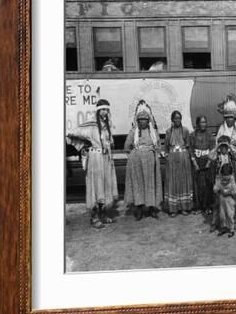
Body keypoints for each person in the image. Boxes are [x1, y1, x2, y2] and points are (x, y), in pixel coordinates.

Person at [66, 98, 118, 229]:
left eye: (107, 110)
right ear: (98, 110)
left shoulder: (107, 125)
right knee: (96, 186)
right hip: (95, 159)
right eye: (103, 110)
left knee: (105, 185)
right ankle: (94, 217)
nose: (106, 112)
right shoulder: (92, 125)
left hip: (106, 159)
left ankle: (103, 214)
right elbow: (73, 132)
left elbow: (109, 142)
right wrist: (84, 146)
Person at [123, 100, 163, 221]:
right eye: (140, 120)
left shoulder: (153, 132)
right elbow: (127, 147)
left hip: (151, 163)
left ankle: (151, 208)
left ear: (148, 121)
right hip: (137, 163)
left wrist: (153, 155)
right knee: (138, 185)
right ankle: (139, 209)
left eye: (145, 120)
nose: (143, 122)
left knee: (151, 185)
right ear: (137, 121)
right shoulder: (133, 133)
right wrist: (135, 156)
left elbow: (158, 146)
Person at [163, 110, 194, 217]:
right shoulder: (168, 132)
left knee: (183, 182)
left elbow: (189, 145)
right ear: (172, 119)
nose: (177, 120)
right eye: (175, 118)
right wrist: (167, 158)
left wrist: (190, 159)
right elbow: (166, 147)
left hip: (183, 158)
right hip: (172, 160)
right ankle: (173, 209)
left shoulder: (185, 130)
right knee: (173, 182)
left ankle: (184, 208)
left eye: (179, 118)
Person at [216, 94, 236, 188]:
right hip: (225, 156)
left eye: (231, 117)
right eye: (227, 117)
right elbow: (218, 142)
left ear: (234, 118)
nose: (229, 119)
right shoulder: (222, 128)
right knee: (226, 176)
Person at [189, 116, 216, 214]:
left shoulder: (210, 135)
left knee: (208, 184)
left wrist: (209, 162)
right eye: (201, 122)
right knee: (198, 185)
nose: (203, 124)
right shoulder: (192, 135)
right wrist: (194, 162)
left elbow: (213, 149)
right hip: (197, 162)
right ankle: (199, 206)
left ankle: (208, 206)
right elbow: (191, 149)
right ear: (197, 124)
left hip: (207, 162)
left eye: (205, 122)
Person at [212, 163, 236, 238]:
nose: (226, 179)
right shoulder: (219, 178)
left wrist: (229, 191)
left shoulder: (232, 179)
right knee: (222, 215)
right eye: (224, 176)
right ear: (221, 174)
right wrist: (217, 188)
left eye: (227, 177)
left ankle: (231, 229)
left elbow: (235, 190)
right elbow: (215, 188)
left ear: (231, 174)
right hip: (222, 199)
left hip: (229, 200)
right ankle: (223, 227)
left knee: (230, 214)